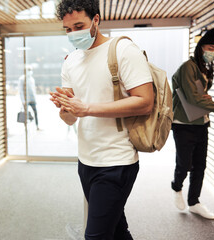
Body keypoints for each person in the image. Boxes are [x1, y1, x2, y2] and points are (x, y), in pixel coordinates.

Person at [49, 0, 154, 239]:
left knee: (95, 236)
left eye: (79, 25)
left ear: (96, 19)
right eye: (68, 29)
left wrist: (86, 108)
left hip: (116, 161)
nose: (73, 33)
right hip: (86, 161)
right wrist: (66, 108)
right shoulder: (71, 61)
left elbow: (145, 102)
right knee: (116, 229)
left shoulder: (123, 50)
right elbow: (70, 120)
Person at [171, 28, 214, 219]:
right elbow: (194, 99)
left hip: (202, 122)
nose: (213, 52)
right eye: (210, 47)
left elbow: (200, 95)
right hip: (184, 123)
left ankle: (194, 202)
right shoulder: (188, 67)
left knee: (200, 166)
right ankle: (176, 187)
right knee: (184, 164)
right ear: (200, 47)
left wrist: (207, 97)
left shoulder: (205, 69)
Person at [19, 65, 39, 130]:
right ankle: (26, 127)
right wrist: (23, 101)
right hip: (26, 100)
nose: (30, 71)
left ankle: (37, 126)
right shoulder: (22, 79)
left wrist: (35, 99)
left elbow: (33, 90)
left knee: (35, 112)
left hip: (32, 99)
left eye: (30, 70)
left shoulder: (32, 79)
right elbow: (21, 90)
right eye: (28, 70)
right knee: (25, 114)